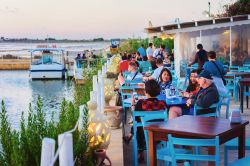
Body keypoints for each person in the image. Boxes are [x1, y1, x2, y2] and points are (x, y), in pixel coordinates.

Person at [124, 80, 167, 162]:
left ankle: (141, 153)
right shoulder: (163, 104)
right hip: (160, 135)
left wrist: (133, 105)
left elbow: (135, 118)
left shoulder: (141, 103)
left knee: (139, 126)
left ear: (145, 91)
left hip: (144, 137)